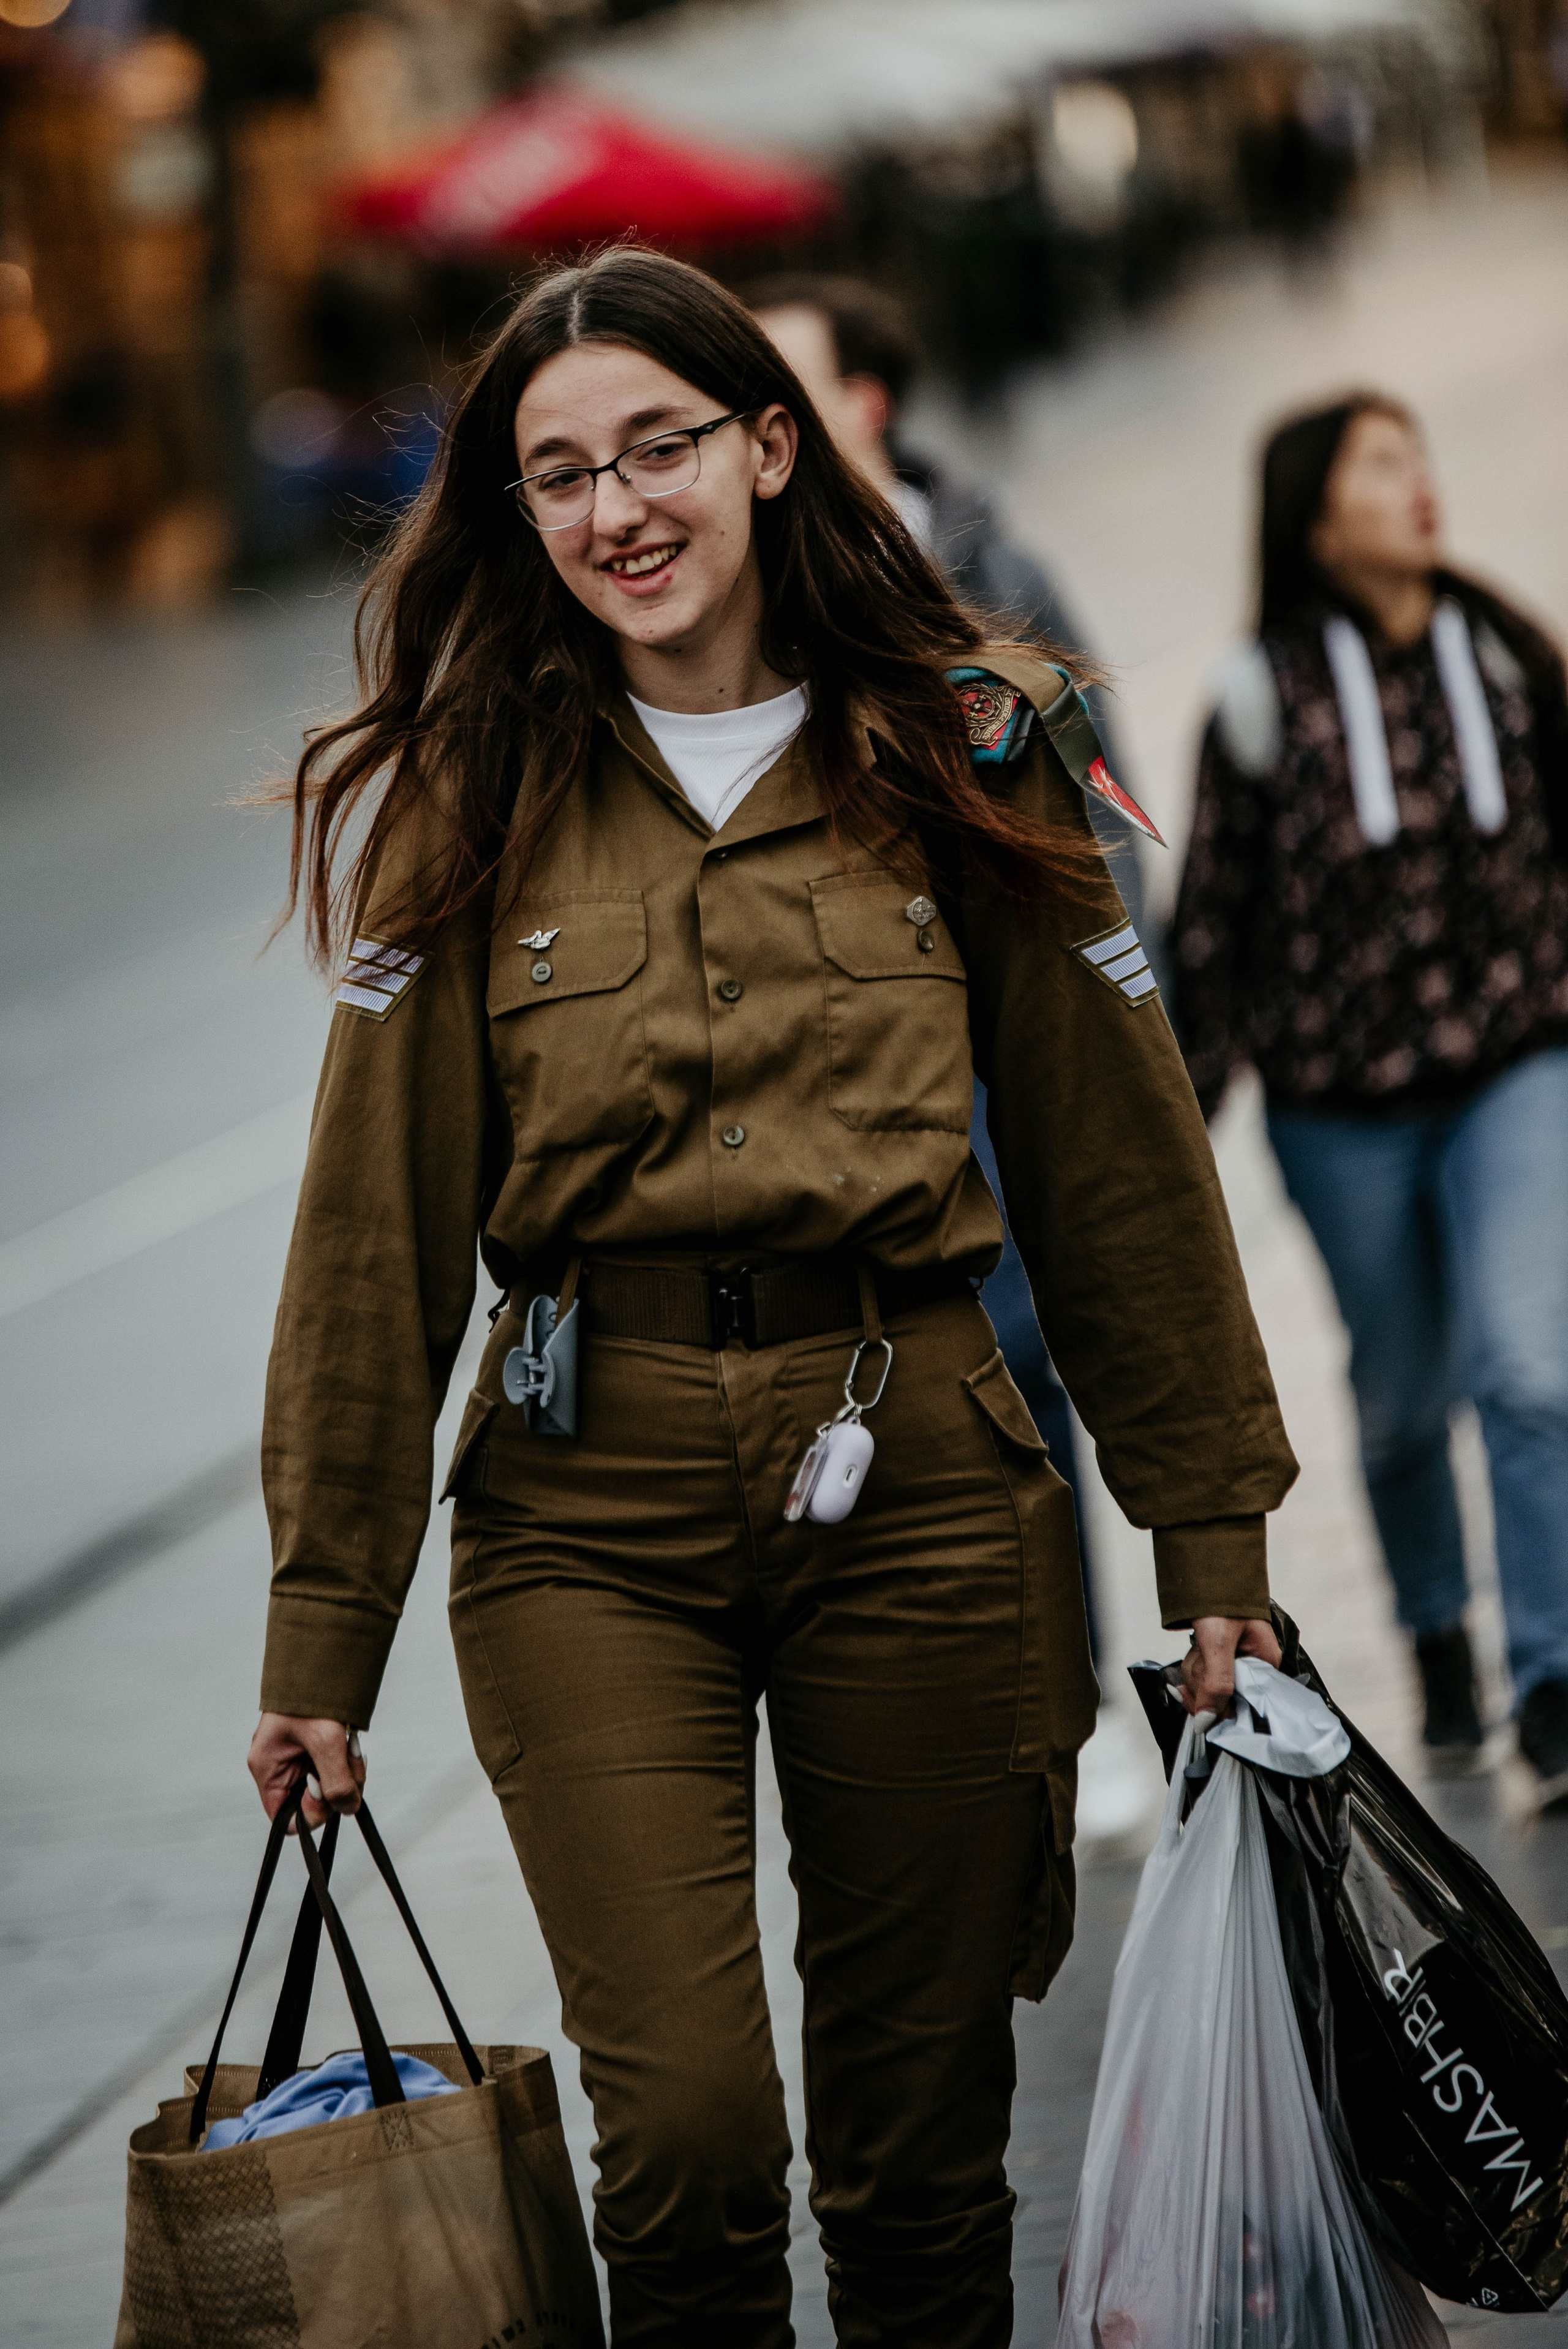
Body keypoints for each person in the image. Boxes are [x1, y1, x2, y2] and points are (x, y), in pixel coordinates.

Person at [248, 245, 1296, 2347]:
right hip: (581, 1510)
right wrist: (319, 1626)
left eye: (660, 446)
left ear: (772, 445)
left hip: (920, 1481)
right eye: (558, 474)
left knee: (922, 2160)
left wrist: (1213, 1537)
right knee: (695, 2138)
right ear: (517, 512)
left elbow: (1117, 1158)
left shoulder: (975, 738)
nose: (616, 508)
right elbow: (376, 1226)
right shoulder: (471, 782)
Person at [1173, 391, 1568, 1791]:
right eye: (1379, 466)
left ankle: (1552, 1674)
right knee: (1402, 1401)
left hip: (1516, 1073)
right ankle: (1433, 1640)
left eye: (1416, 460)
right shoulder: (1254, 698)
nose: (1416, 488)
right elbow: (1209, 928)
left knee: (1529, 1367)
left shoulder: (1507, 654)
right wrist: (1174, 1126)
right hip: (1338, 1114)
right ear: (1313, 514)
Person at [747, 272, 1144, 1650]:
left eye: (780, 389)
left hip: (998, 1029)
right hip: (847, 1050)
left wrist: (1118, 1009)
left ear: (856, 405)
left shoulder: (985, 559)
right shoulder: (743, 599)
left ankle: (1073, 1661)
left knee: (1025, 1349)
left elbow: (1091, 791)